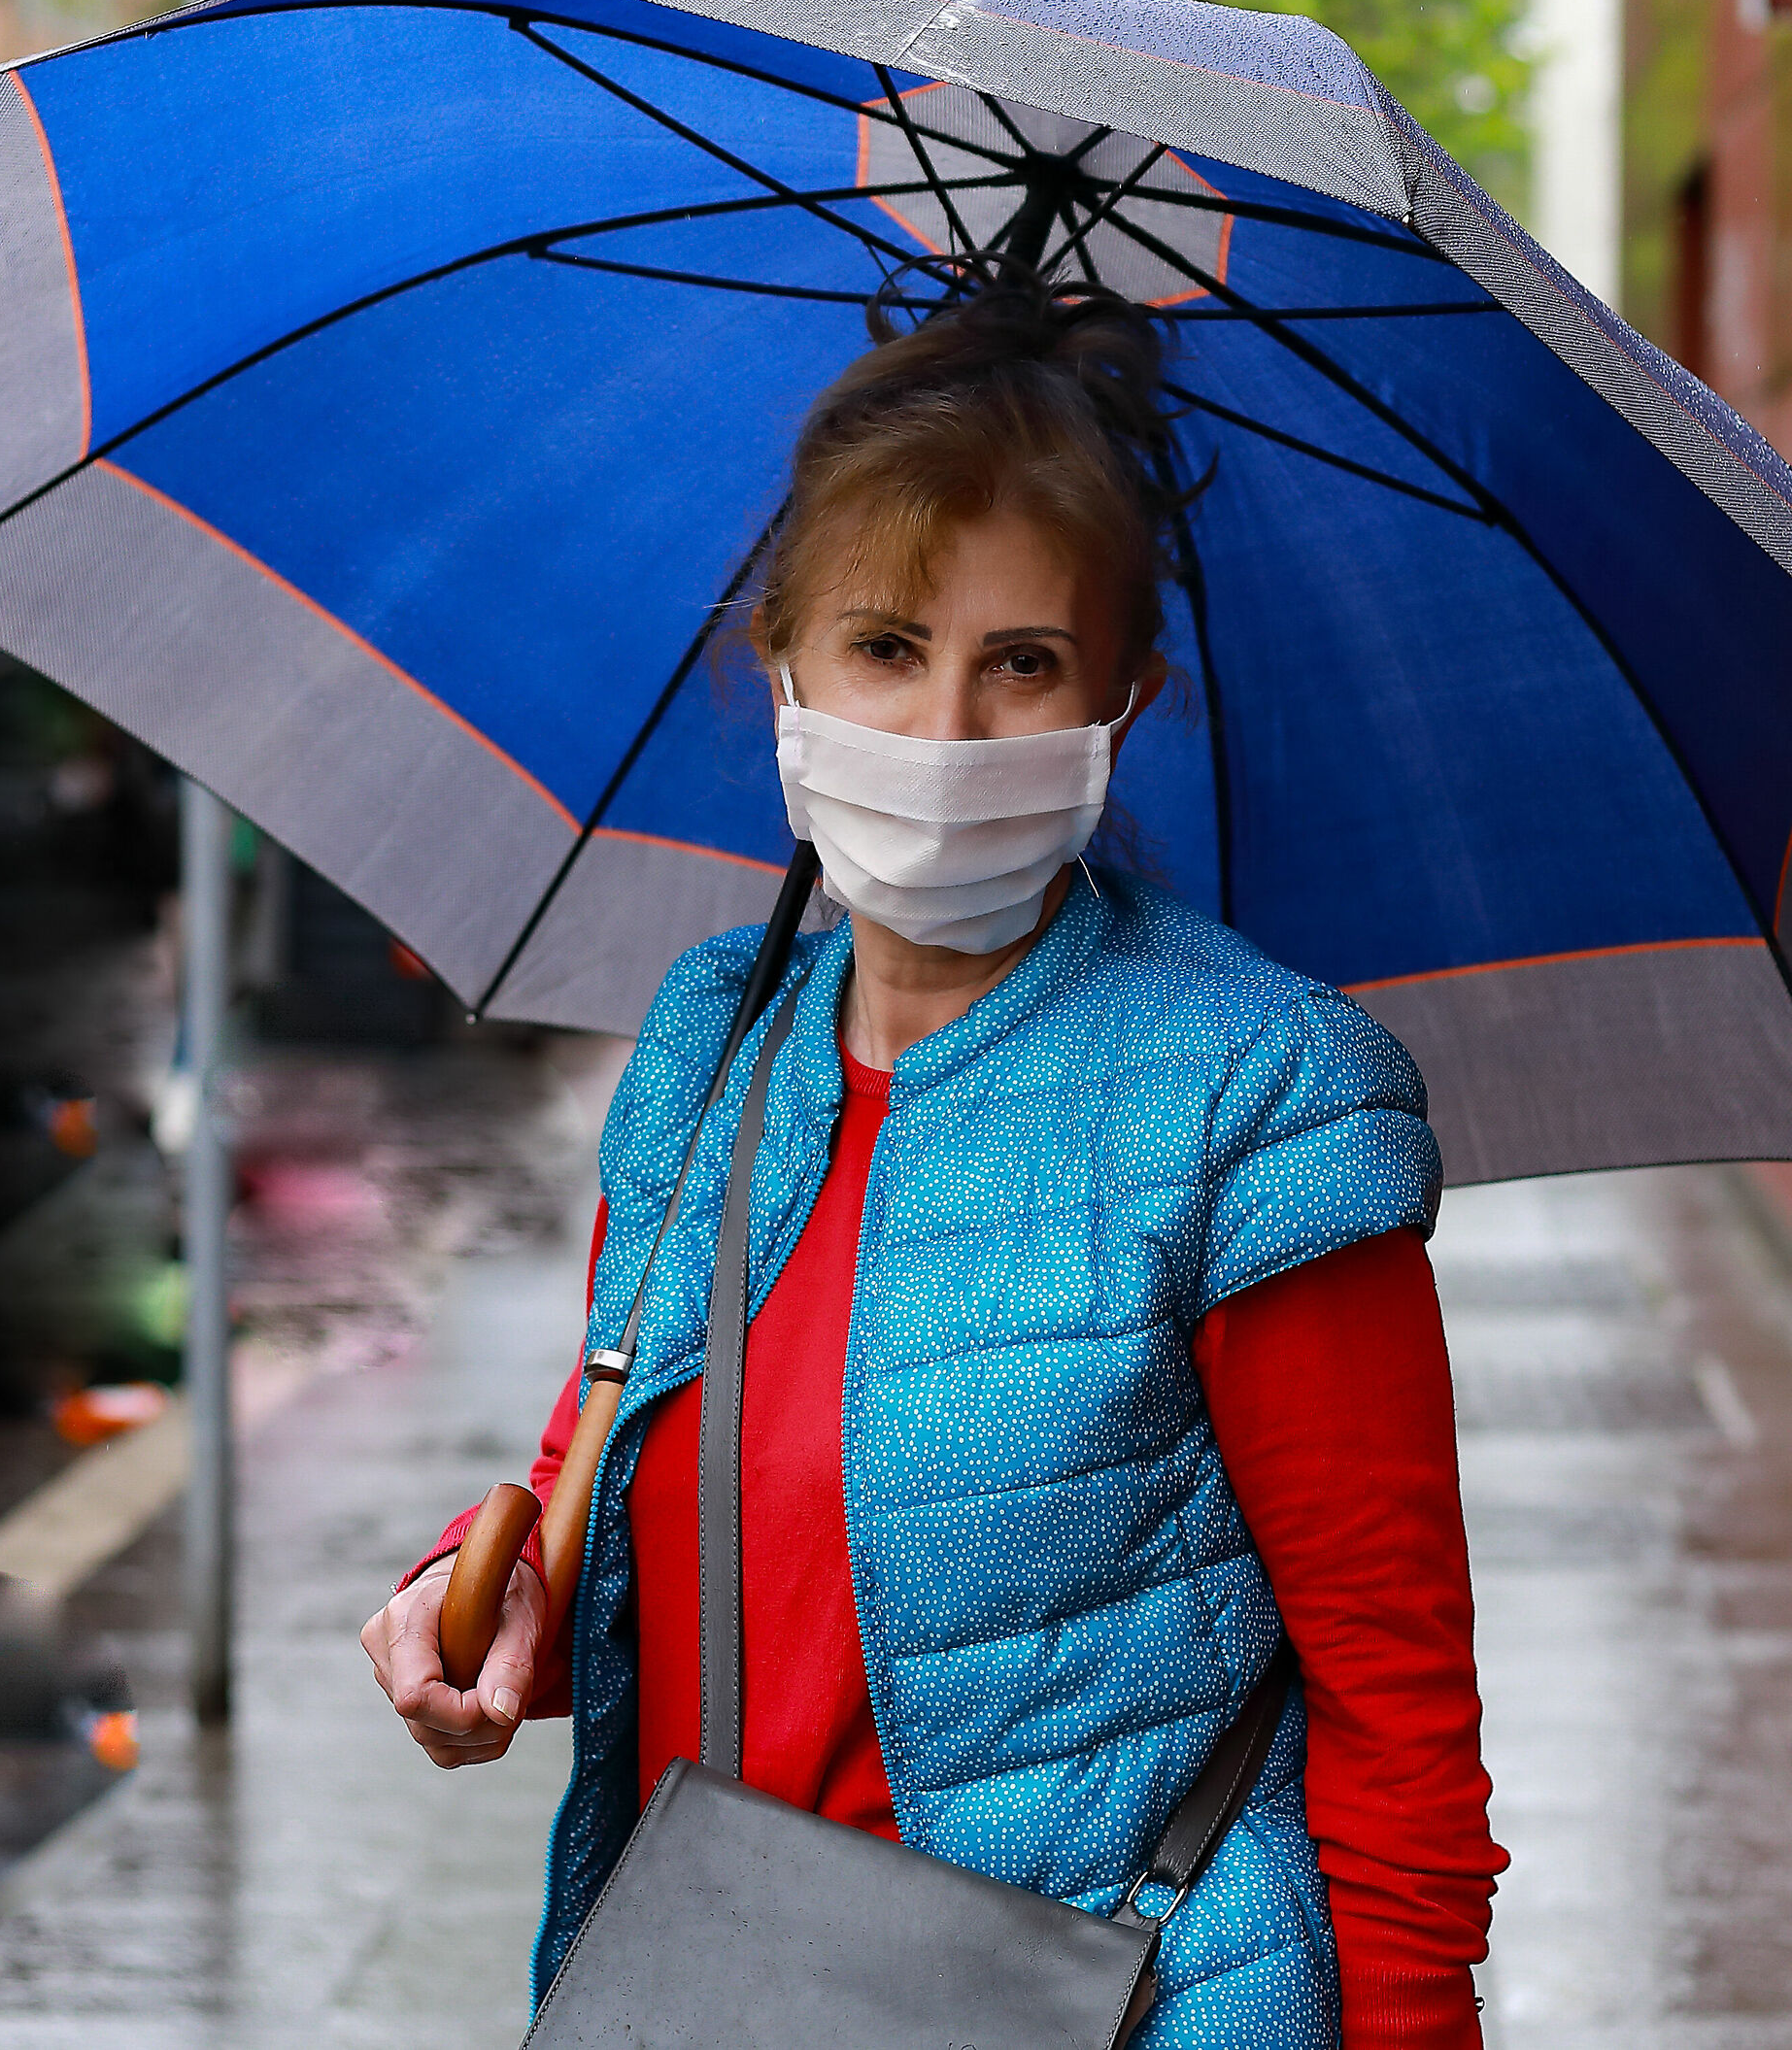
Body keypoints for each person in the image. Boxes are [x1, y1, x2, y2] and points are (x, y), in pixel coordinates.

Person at [361, 273, 1506, 2047]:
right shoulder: (712, 1042)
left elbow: (1399, 1705)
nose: (947, 734)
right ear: (783, 669)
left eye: (1022, 662)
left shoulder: (1256, 1096)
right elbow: (640, 1455)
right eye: (887, 648)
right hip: (735, 1996)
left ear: (1123, 700)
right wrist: (491, 1589)